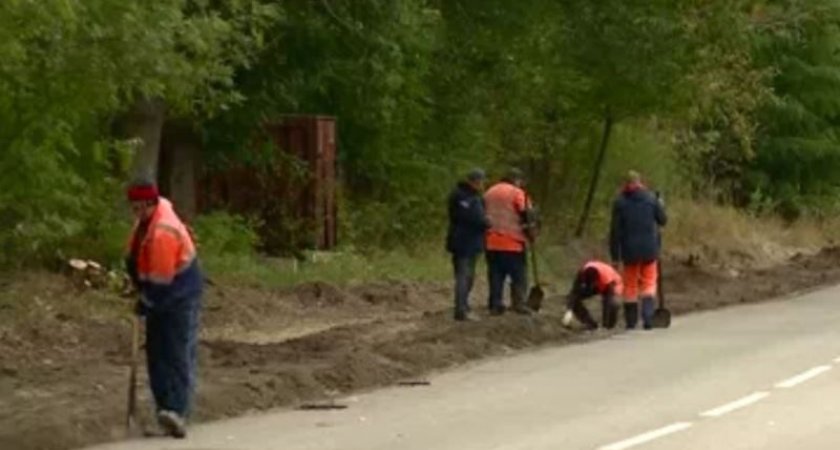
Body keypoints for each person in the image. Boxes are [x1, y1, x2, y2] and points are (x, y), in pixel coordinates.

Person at [125, 179, 204, 438]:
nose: (135, 212)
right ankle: (164, 411)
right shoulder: (143, 224)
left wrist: (146, 301)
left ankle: (178, 411)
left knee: (177, 351)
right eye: (133, 207)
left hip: (180, 294)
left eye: (138, 207)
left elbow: (161, 279)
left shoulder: (163, 231)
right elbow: (133, 258)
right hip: (159, 291)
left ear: (150, 203)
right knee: (156, 353)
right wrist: (137, 286)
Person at [609, 170, 667, 330]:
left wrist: (615, 256)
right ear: (640, 182)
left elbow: (615, 232)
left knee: (630, 285)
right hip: (649, 248)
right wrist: (661, 205)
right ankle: (648, 318)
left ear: (624, 184)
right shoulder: (651, 199)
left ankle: (631, 321)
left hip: (629, 250)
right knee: (649, 282)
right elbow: (663, 220)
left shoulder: (620, 203)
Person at [484, 168, 536, 315]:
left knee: (495, 275)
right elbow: (527, 214)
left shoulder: (489, 192)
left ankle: (495, 304)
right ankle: (519, 303)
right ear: (516, 180)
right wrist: (531, 233)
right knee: (518, 275)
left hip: (491, 241)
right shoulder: (517, 193)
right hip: (513, 241)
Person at [446, 168, 490, 321]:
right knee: (464, 276)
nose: (482, 184)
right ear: (474, 181)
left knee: (467, 276)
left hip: (468, 241)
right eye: (480, 181)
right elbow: (475, 218)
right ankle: (461, 309)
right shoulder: (465, 197)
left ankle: (464, 305)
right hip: (464, 242)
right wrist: (487, 222)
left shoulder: (468, 196)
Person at [565, 260, 622, 330]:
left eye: (592, 283)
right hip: (596, 284)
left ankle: (609, 326)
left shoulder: (606, 277)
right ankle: (590, 324)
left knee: (613, 304)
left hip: (612, 283)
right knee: (572, 299)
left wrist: (604, 326)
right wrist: (569, 310)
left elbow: (607, 301)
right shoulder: (581, 273)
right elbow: (574, 292)